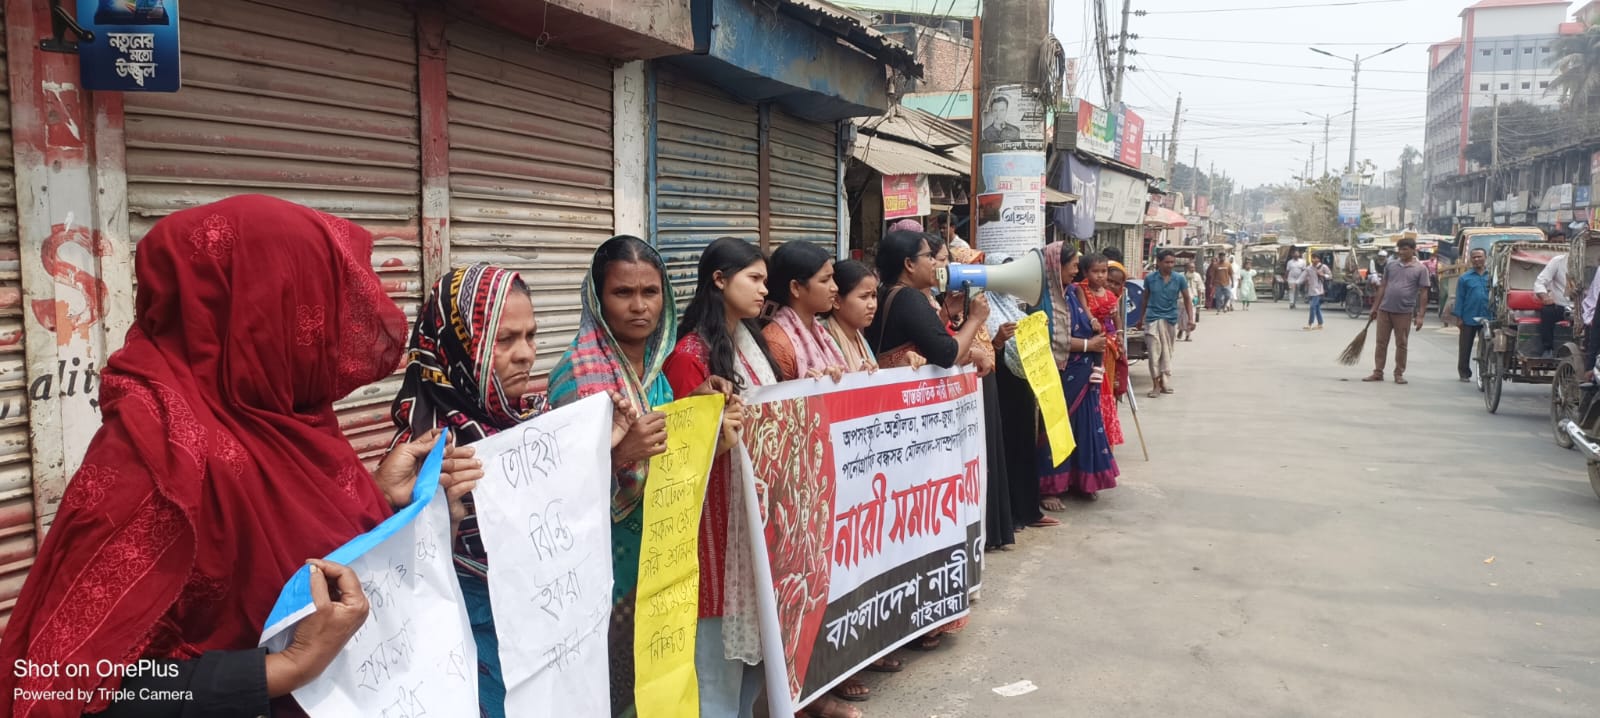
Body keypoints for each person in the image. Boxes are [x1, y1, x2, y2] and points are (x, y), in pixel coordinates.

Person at [0, 196, 482, 718]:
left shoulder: (286, 418)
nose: (334, 334)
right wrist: (278, 671)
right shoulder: (154, 464)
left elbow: (306, 563)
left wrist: (387, 505)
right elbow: (57, 687)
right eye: (317, 305)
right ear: (260, 314)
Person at [548, 235, 681, 717]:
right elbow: (554, 490)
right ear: (597, 298)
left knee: (657, 670)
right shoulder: (576, 377)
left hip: (658, 549)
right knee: (609, 678)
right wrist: (622, 454)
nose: (639, 306)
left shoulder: (658, 372)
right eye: (623, 292)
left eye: (650, 292)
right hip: (601, 563)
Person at [662, 237, 776, 718]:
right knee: (717, 676)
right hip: (712, 531)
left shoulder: (750, 344)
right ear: (719, 279)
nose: (764, 290)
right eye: (754, 278)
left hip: (751, 522)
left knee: (755, 669)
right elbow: (680, 456)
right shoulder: (690, 356)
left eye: (766, 280)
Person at [1038, 246, 1119, 509]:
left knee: (1085, 426)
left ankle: (1083, 481)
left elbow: (1090, 320)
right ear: (1056, 266)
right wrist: (1088, 346)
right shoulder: (1044, 300)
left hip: (1085, 373)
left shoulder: (1073, 292)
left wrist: (1095, 330)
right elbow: (1049, 339)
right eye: (1072, 265)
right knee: (1057, 428)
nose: (1076, 271)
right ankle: (1051, 488)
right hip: (1061, 374)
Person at [866, 231, 991, 369]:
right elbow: (947, 354)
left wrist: (944, 314)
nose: (934, 262)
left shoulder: (886, 293)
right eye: (929, 256)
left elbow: (927, 342)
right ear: (909, 264)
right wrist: (975, 319)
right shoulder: (909, 297)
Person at [761, 240, 848, 381]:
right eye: (824, 280)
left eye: (832, 278)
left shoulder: (820, 333)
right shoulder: (777, 344)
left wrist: (860, 377)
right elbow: (777, 394)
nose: (835, 287)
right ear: (795, 288)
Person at [1364, 237, 1430, 384]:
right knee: (1381, 343)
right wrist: (1375, 307)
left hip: (1404, 311)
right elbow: (1383, 286)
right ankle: (1378, 372)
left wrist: (1420, 315)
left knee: (1401, 344)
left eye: (1405, 249)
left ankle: (1398, 373)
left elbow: (1424, 292)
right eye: (1400, 249)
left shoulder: (1421, 269)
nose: (1401, 252)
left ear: (1413, 250)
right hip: (1385, 310)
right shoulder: (1391, 265)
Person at [1076, 255, 1124, 448]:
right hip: (1088, 341)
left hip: (1107, 347)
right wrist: (1093, 320)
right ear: (1086, 273)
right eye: (1095, 272)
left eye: (1103, 271)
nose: (1100, 276)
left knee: (1107, 389)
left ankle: (1106, 437)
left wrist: (1120, 335)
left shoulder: (1110, 295)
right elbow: (1085, 309)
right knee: (1091, 389)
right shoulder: (1081, 289)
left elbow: (1116, 317)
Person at [1135, 250, 1193, 397]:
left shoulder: (1179, 279)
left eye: (1172, 262)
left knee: (1167, 353)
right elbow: (1145, 299)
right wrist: (1140, 319)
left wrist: (1191, 319)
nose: (1170, 265)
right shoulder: (1150, 278)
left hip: (1170, 319)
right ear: (1159, 262)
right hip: (1152, 319)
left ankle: (1164, 383)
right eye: (1167, 262)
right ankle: (1155, 384)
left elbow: (1187, 299)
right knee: (1154, 354)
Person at [823, 259, 881, 373]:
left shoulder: (860, 339)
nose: (872, 305)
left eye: (873, 296)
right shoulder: (824, 341)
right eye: (864, 297)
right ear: (836, 301)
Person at [1445, 248, 1490, 382]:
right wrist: (1459, 318)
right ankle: (1464, 372)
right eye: (1474, 257)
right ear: (1471, 259)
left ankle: (1485, 372)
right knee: (1465, 347)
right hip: (1468, 317)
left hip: (1488, 317)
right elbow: (1460, 298)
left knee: (1487, 347)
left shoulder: (1492, 276)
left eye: (1479, 257)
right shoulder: (1464, 278)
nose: (1477, 259)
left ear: (1485, 258)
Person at [1533, 251, 1573, 359]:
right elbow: (1540, 282)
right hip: (1561, 306)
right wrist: (1545, 297)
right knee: (1547, 311)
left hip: (1585, 308)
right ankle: (1548, 349)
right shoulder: (1558, 261)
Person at [1303, 253, 1331, 331]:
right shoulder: (1309, 268)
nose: (1313, 260)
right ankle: (1320, 324)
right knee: (1317, 307)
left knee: (1312, 306)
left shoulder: (1323, 267)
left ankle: (1309, 324)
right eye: (1312, 258)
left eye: (1315, 258)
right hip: (1312, 290)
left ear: (1318, 259)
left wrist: (1323, 275)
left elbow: (1330, 276)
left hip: (1319, 290)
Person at [1182, 260, 1205, 341]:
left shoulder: (1197, 276)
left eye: (1194, 267)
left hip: (1193, 300)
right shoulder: (1181, 276)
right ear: (1186, 268)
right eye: (1191, 268)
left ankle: (1188, 334)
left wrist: (1198, 300)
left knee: (1191, 317)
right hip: (1181, 300)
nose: (1193, 269)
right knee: (1182, 318)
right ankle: (1181, 329)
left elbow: (1200, 288)